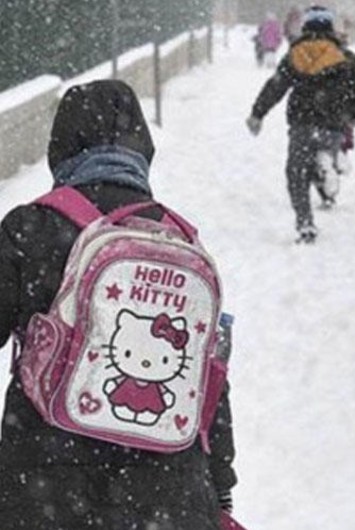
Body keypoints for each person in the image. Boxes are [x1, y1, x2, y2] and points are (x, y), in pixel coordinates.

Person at [0, 80, 236, 528]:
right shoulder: (180, 243)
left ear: (62, 150)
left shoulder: (30, 229)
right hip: (169, 494)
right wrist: (219, 488)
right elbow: (211, 381)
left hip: (44, 488)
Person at [246, 5, 355, 244]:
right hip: (334, 124)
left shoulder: (295, 55)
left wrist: (257, 114)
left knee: (296, 173)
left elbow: (276, 87)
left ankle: (305, 223)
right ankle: (329, 165)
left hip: (302, 122)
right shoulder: (347, 58)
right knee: (322, 154)